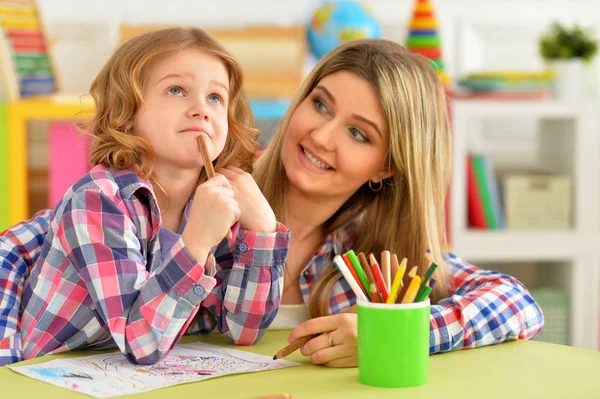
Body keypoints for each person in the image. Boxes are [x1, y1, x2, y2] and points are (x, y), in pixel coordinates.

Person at [252, 38, 544, 367]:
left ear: (386, 167)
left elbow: (518, 304)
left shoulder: (376, 255)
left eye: (357, 133)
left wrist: (394, 333)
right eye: (320, 105)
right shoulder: (214, 202)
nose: (321, 136)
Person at [16, 27, 290, 365]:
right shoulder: (97, 201)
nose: (201, 109)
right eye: (176, 90)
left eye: (215, 97)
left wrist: (261, 228)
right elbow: (142, 343)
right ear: (127, 115)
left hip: (126, 377)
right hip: (44, 375)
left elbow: (244, 329)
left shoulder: (214, 203)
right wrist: (195, 243)